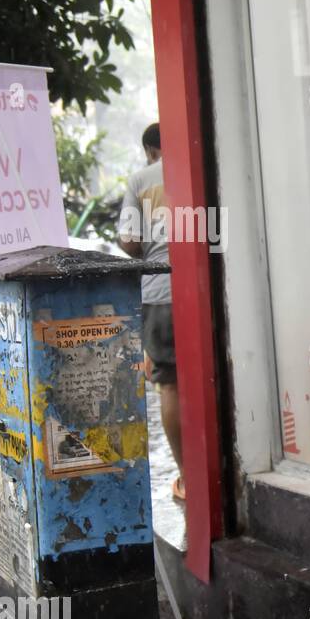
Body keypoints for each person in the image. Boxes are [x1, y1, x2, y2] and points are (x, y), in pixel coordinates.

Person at [117, 123, 183, 501]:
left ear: (150, 149)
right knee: (211, 377)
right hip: (204, 292)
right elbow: (215, 236)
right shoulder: (199, 169)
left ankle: (188, 477)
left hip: (160, 292)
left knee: (171, 385)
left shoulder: (141, 180)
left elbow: (129, 240)